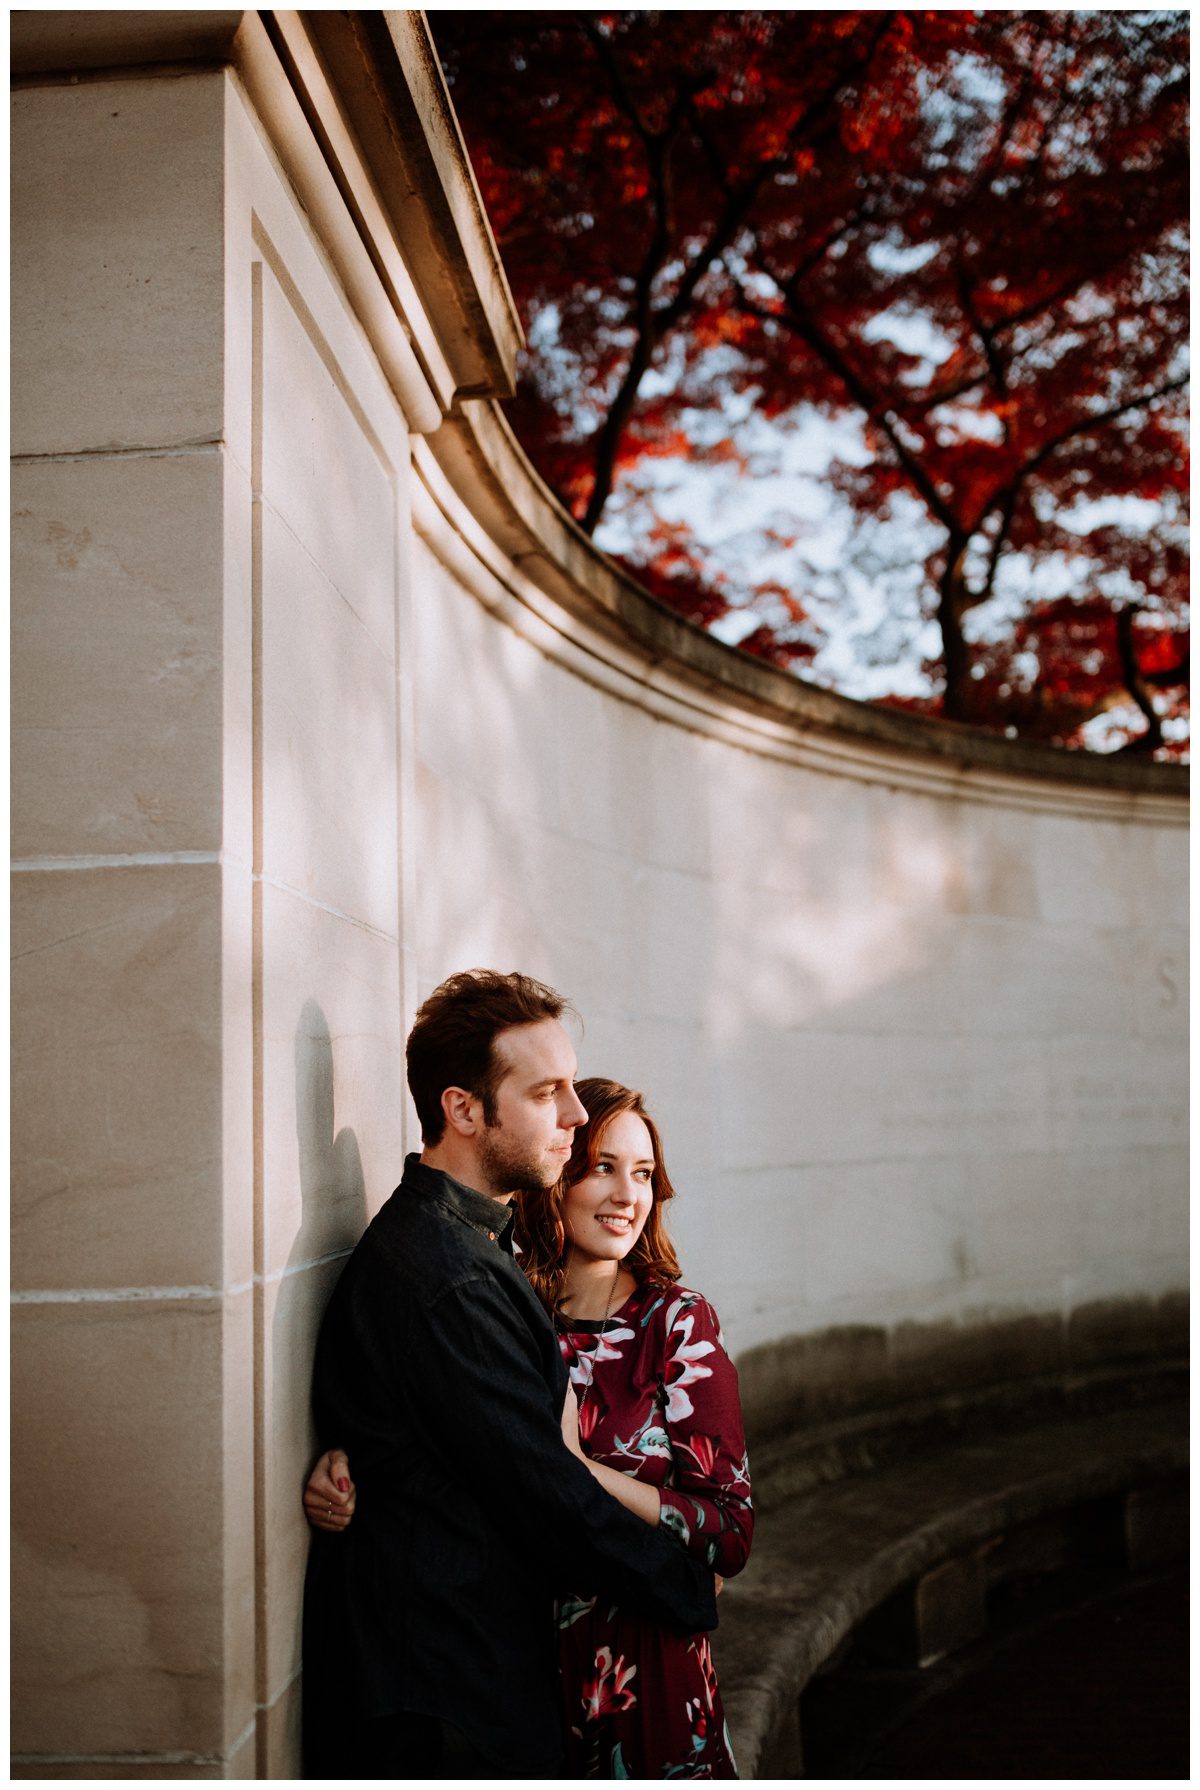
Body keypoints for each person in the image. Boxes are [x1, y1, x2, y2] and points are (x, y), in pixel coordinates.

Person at [301, 971, 718, 1781]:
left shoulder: (466, 1248)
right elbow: (540, 1490)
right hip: (446, 1704)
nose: (573, 1116)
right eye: (547, 1093)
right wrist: (684, 1586)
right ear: (463, 1109)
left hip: (463, 1676)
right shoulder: (443, 1273)